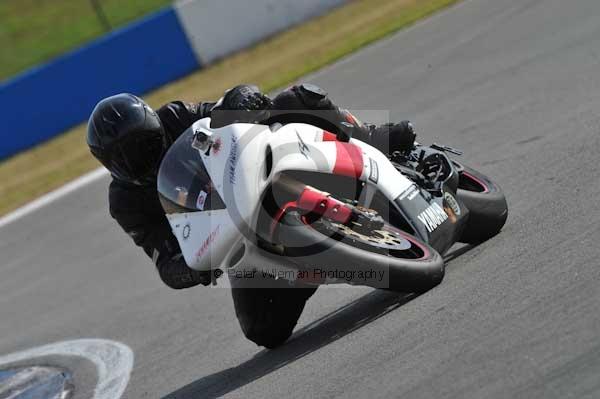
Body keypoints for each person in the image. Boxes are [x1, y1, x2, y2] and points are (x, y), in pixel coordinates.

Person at [86, 83, 416, 348]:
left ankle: (374, 139)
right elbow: (164, 261)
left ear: (156, 126)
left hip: (260, 174)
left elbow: (221, 111)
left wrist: (243, 100)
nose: (142, 158)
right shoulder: (126, 203)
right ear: (109, 164)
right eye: (127, 157)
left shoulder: (176, 116)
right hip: (236, 236)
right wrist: (195, 266)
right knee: (264, 330)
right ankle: (311, 265)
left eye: (145, 144)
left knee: (294, 99)